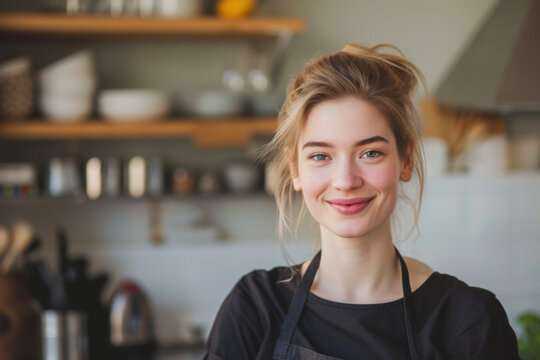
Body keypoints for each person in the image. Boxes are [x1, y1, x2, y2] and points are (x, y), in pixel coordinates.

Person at [203, 43, 519, 360]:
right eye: (320, 156)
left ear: (406, 159)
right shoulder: (256, 309)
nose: (346, 180)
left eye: (370, 153)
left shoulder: (465, 319)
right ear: (295, 170)